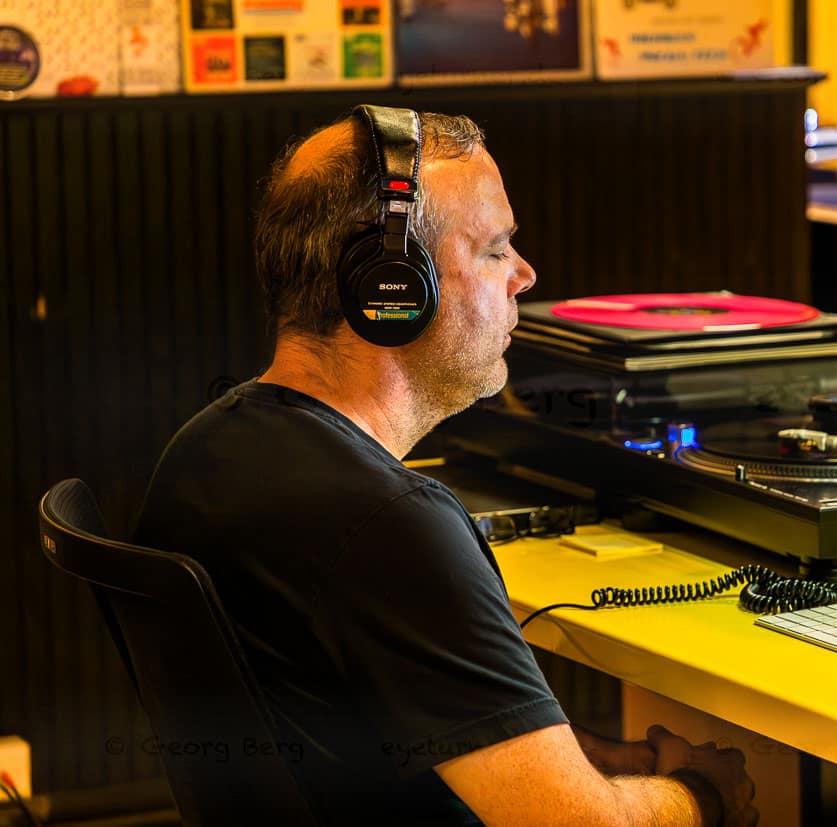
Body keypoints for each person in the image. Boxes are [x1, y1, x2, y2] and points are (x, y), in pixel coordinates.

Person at [133, 105, 759, 826]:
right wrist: (703, 796)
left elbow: (414, 711)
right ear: (392, 287)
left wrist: (603, 760)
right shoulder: (386, 523)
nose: (524, 274)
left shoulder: (205, 453)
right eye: (494, 249)